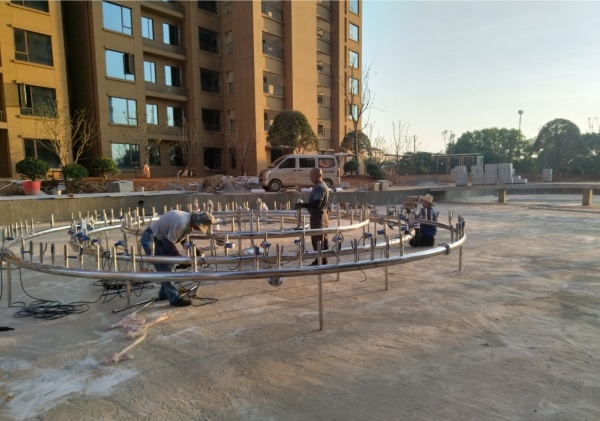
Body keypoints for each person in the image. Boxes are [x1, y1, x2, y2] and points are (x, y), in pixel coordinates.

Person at [140, 210, 214, 306]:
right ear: (197, 223)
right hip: (152, 239)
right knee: (165, 270)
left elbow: (183, 238)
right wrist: (180, 260)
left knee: (167, 268)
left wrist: (195, 249)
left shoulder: (187, 220)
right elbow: (169, 243)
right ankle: (175, 299)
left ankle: (164, 294)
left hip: (160, 238)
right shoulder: (181, 222)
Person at [295, 168, 330, 265]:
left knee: (317, 237)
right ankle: (324, 259)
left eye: (312, 175)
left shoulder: (319, 187)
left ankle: (319, 260)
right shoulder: (322, 185)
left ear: (319, 175)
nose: (310, 177)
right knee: (323, 237)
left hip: (318, 216)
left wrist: (302, 205)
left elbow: (317, 203)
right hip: (323, 214)